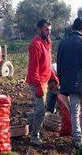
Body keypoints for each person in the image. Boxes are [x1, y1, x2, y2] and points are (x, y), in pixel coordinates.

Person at [57, 17, 82, 147]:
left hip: (69, 82)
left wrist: (62, 81)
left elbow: (59, 64)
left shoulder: (63, 43)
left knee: (74, 109)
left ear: (73, 28)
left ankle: (76, 136)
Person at [25, 19, 59, 147]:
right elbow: (34, 69)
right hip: (36, 81)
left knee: (44, 108)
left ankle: (34, 125)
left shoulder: (47, 43)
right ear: (39, 30)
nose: (49, 32)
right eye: (46, 29)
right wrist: (39, 86)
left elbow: (47, 64)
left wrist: (53, 77)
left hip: (45, 79)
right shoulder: (36, 45)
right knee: (40, 109)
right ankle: (34, 137)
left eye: (50, 30)